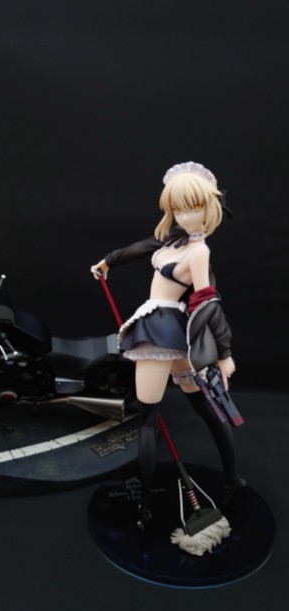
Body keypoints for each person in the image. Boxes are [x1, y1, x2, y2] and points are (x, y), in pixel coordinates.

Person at [90, 161, 245, 530]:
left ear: (209, 207)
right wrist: (109, 261)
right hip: (167, 329)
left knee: (152, 419)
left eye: (194, 207)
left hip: (162, 331)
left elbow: (207, 301)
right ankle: (230, 481)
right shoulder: (175, 240)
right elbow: (143, 246)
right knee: (198, 408)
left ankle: (148, 507)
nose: (185, 216)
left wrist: (224, 354)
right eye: (178, 208)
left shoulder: (199, 252)